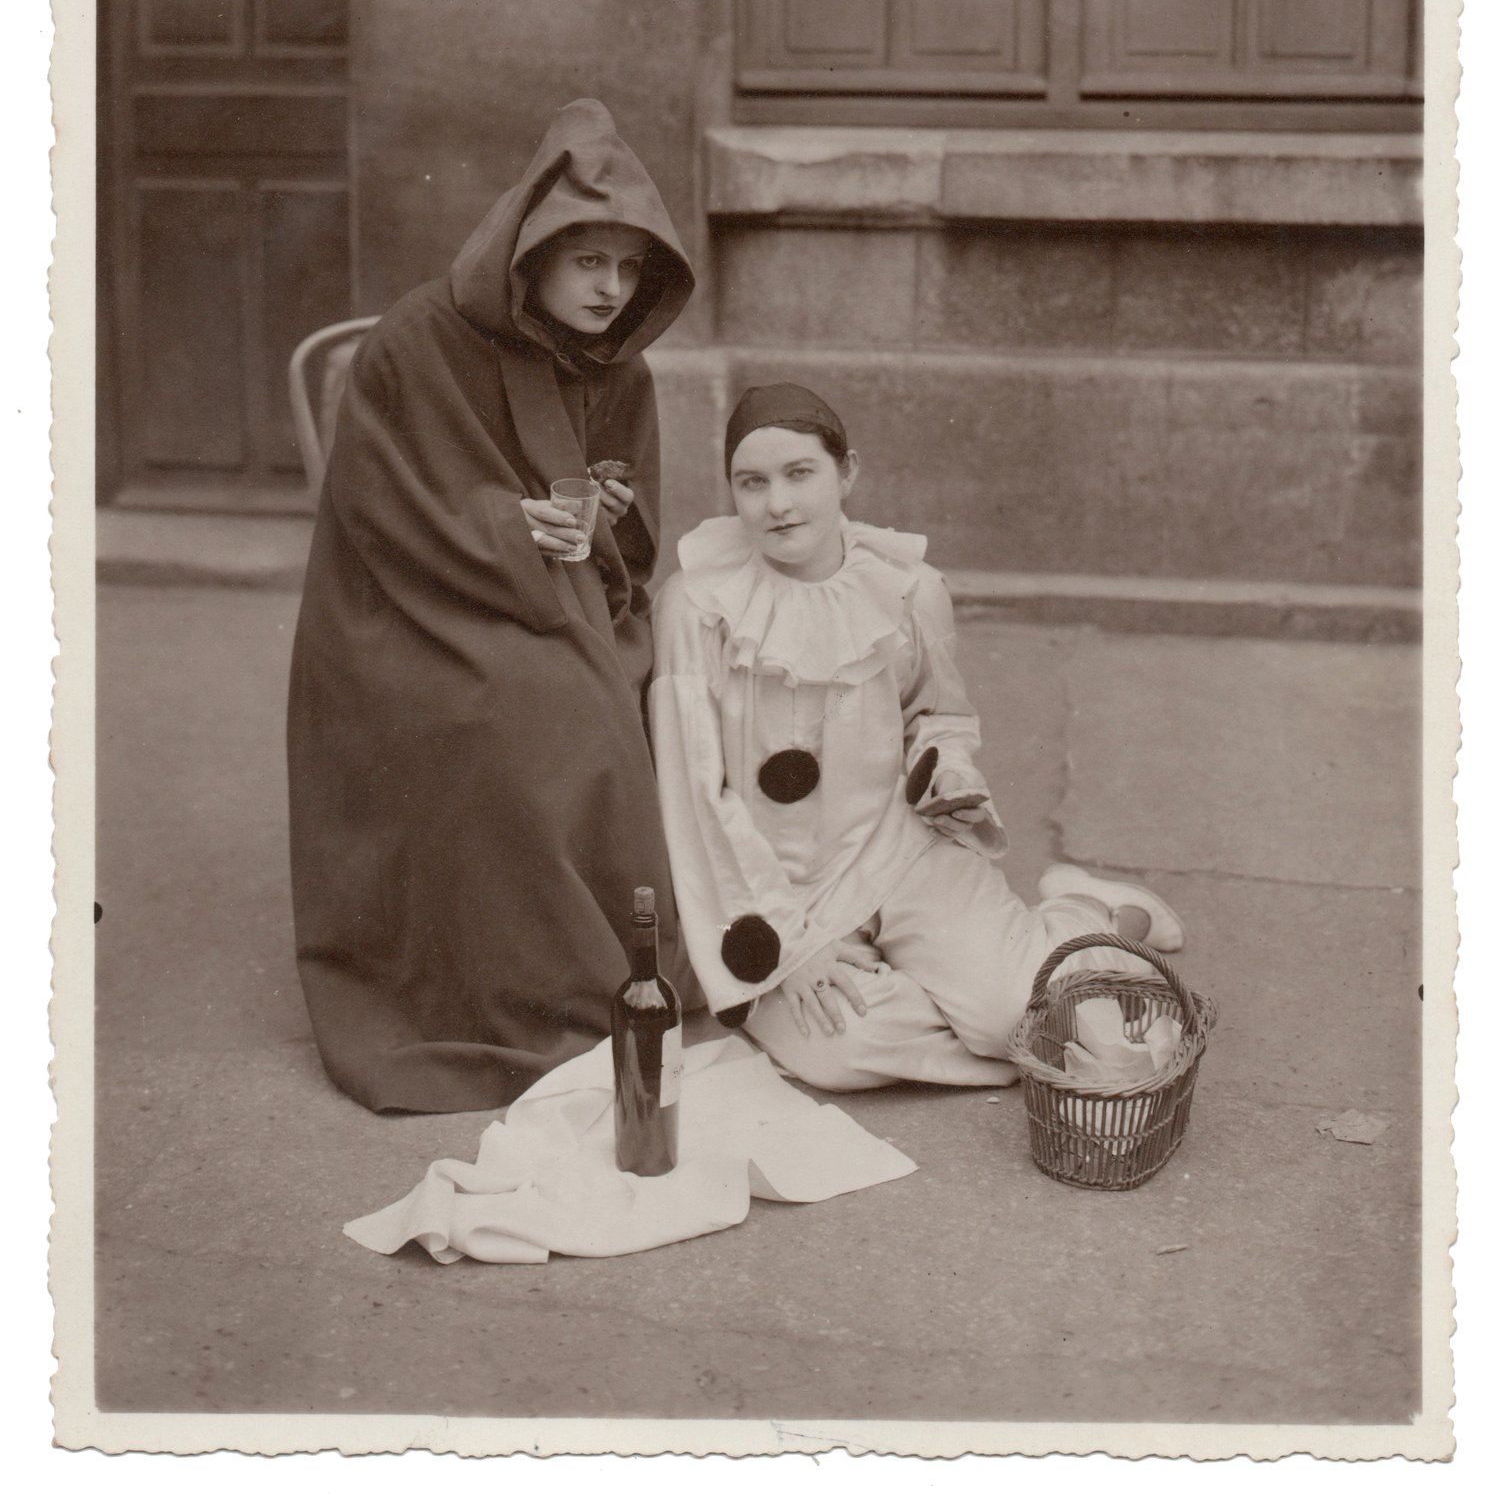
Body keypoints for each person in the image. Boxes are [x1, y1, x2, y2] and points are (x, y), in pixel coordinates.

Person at [288, 99, 695, 1113]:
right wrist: (518, 534)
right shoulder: (412, 344)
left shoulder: (618, 361)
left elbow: (631, 515)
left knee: (659, 673)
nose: (610, 290)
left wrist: (603, 520)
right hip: (413, 609)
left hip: (561, 597)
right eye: (588, 261)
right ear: (532, 253)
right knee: (533, 711)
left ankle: (633, 967)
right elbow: (382, 511)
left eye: (629, 267)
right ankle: (542, 996)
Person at [647, 382, 1185, 1092]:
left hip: (898, 852)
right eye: (753, 483)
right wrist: (792, 947)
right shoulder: (695, 605)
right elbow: (695, 794)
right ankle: (1026, 1006)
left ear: (847, 473)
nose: (777, 503)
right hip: (785, 886)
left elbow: (938, 717)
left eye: (800, 474)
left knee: (1000, 1018)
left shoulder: (908, 588)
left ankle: (1087, 914)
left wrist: (948, 772)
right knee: (840, 1054)